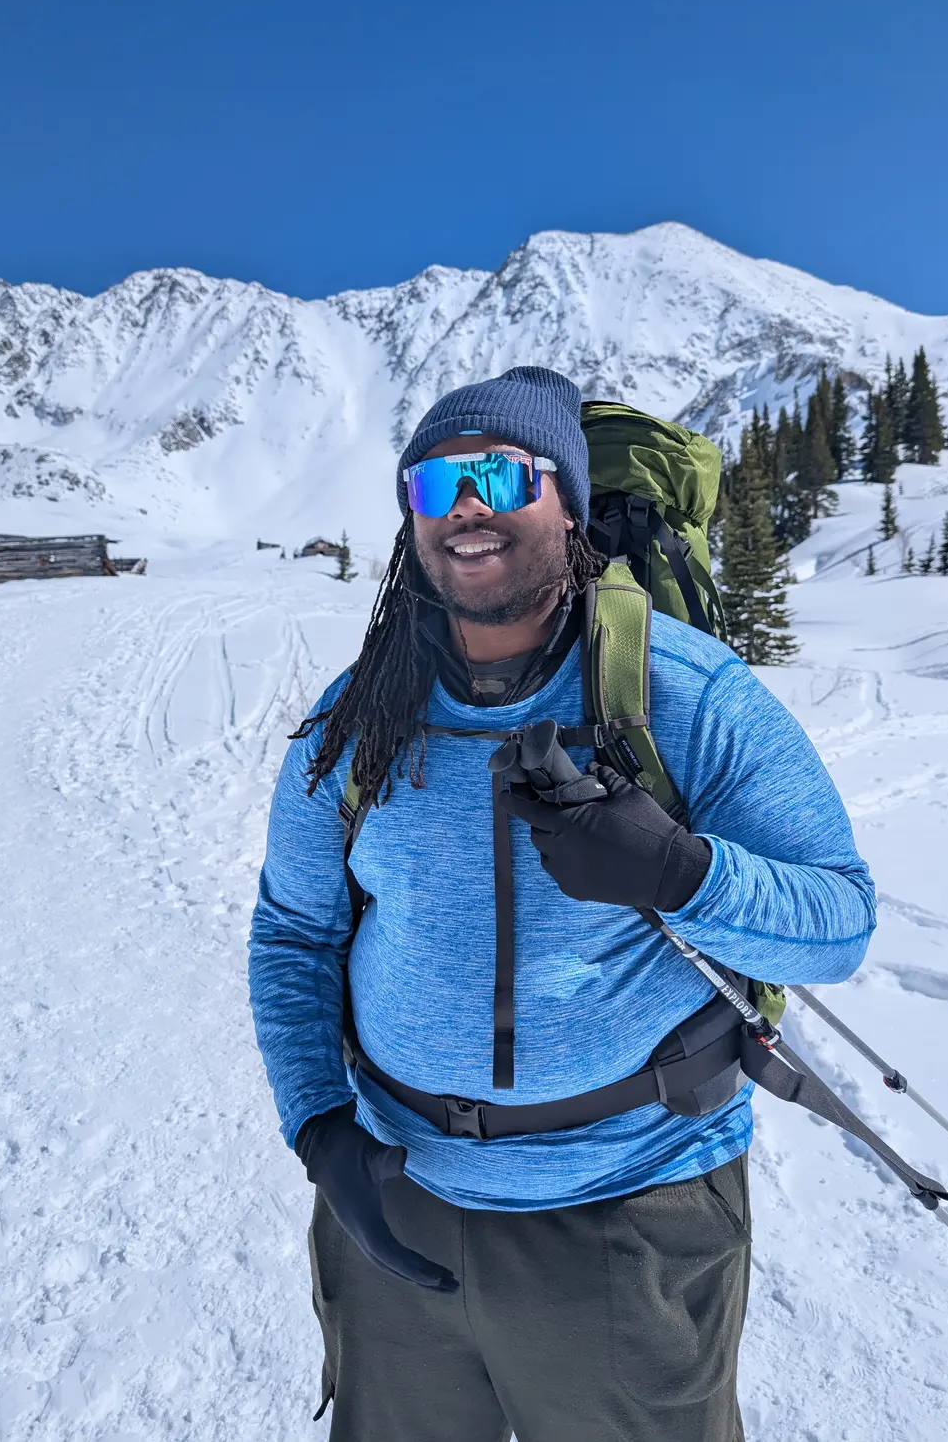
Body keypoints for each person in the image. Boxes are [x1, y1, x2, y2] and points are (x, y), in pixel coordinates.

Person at [249, 365, 876, 1442]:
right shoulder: (358, 718)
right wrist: (318, 1124)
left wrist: (681, 874)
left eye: (500, 475)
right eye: (434, 484)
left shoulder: (687, 694)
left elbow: (839, 923)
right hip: (398, 1197)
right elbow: (293, 933)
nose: (466, 506)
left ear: (570, 503)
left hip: (629, 1208)